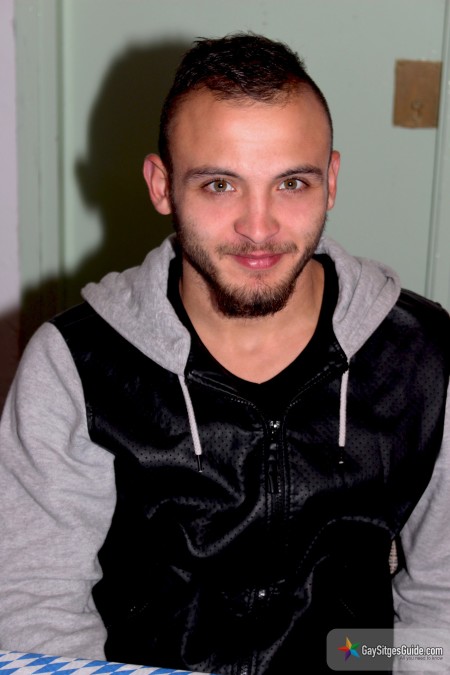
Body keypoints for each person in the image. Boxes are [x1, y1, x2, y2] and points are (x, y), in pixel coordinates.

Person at [0, 32, 449, 675]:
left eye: (291, 183)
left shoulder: (423, 355)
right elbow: (35, 609)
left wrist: (363, 662)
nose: (258, 228)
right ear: (162, 186)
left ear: (330, 182)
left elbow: (441, 608)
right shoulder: (77, 365)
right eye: (219, 184)